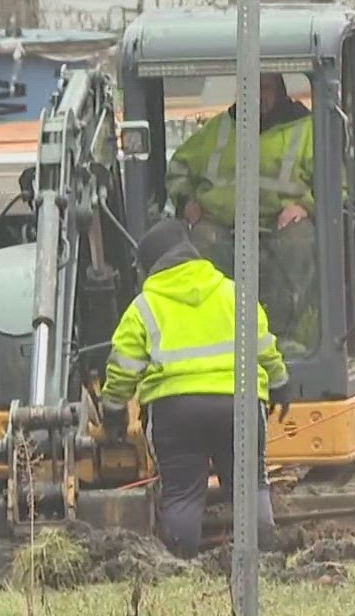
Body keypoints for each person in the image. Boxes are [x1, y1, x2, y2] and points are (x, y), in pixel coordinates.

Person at [99, 219, 290, 559]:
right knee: (249, 487)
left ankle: (179, 565)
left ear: (151, 267)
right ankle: (265, 562)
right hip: (240, 403)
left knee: (182, 494)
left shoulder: (144, 307)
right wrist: (279, 383)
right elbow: (265, 346)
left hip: (176, 411)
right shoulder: (234, 293)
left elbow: (122, 367)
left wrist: (113, 410)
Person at [164, 72, 317, 331]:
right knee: (200, 242)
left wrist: (306, 206)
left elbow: (338, 180)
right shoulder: (219, 128)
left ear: (279, 92)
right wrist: (186, 201)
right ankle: (213, 329)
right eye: (249, 89)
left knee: (299, 242)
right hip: (220, 224)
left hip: (281, 224)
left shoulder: (307, 129)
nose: (257, 97)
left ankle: (292, 331)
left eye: (265, 89)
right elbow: (178, 167)